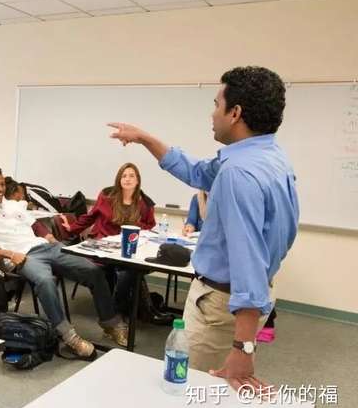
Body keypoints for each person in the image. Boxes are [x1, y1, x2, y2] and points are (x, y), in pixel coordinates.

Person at [108, 66, 298, 391]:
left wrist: (243, 347)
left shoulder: (239, 174)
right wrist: (144, 138)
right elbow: (196, 171)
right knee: (215, 395)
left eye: (216, 104)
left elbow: (247, 261)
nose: (212, 114)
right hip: (245, 300)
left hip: (220, 307)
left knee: (191, 391)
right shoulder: (268, 157)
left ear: (235, 113)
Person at [0, 165, 129, 358]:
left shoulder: (13, 205)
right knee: (45, 281)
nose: (0, 189)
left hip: (46, 247)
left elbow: (35, 225)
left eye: (2, 184)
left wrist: (50, 237)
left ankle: (110, 323)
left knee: (92, 270)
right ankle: (69, 337)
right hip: (22, 256)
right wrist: (9, 254)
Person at [58, 163, 166, 323]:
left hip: (127, 246)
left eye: (132, 176)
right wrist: (72, 228)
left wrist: (136, 225)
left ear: (138, 181)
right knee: (126, 271)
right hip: (103, 245)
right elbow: (91, 216)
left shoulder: (144, 203)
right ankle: (125, 310)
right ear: (119, 179)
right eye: (124, 175)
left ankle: (121, 308)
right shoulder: (107, 196)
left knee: (132, 270)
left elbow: (150, 226)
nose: (127, 179)